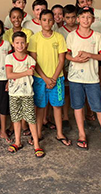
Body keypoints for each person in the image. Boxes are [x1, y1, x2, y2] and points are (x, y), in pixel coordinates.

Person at [66, 7, 101, 153]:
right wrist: (74, 59)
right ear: (78, 19)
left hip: (92, 78)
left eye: (89, 17)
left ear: (93, 20)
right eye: (83, 17)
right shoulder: (71, 36)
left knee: (98, 107)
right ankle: (82, 134)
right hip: (75, 78)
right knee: (78, 106)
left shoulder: (97, 36)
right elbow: (66, 55)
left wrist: (90, 55)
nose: (86, 20)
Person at [28, 9, 71, 146]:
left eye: (50, 20)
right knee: (40, 107)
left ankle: (59, 133)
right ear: (39, 21)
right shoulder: (35, 38)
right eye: (44, 20)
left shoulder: (59, 38)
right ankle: (38, 133)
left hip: (57, 78)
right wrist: (46, 78)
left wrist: (54, 77)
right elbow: (33, 60)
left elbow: (61, 60)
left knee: (57, 106)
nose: (47, 22)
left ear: (54, 21)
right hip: (40, 79)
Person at [5, 31, 45, 158]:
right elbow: (9, 75)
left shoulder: (30, 60)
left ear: (26, 44)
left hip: (27, 94)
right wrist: (25, 72)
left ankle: (36, 144)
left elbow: (30, 72)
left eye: (22, 42)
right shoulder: (9, 58)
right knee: (16, 119)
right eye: (17, 43)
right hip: (14, 94)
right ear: (13, 44)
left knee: (31, 119)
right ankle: (17, 142)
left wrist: (27, 72)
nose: (20, 45)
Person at [76, 0, 101, 122]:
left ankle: (98, 108)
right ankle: (88, 111)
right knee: (85, 84)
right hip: (83, 56)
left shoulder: (100, 14)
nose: (86, 3)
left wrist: (100, 45)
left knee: (100, 83)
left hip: (99, 52)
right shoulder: (79, 18)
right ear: (78, 5)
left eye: (88, 0)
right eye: (82, 2)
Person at [61, 4, 78, 131]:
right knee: (66, 91)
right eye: (68, 17)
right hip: (65, 64)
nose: (71, 20)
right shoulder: (60, 31)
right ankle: (65, 117)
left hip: (80, 64)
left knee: (80, 91)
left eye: (73, 17)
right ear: (63, 18)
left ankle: (82, 117)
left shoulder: (82, 29)